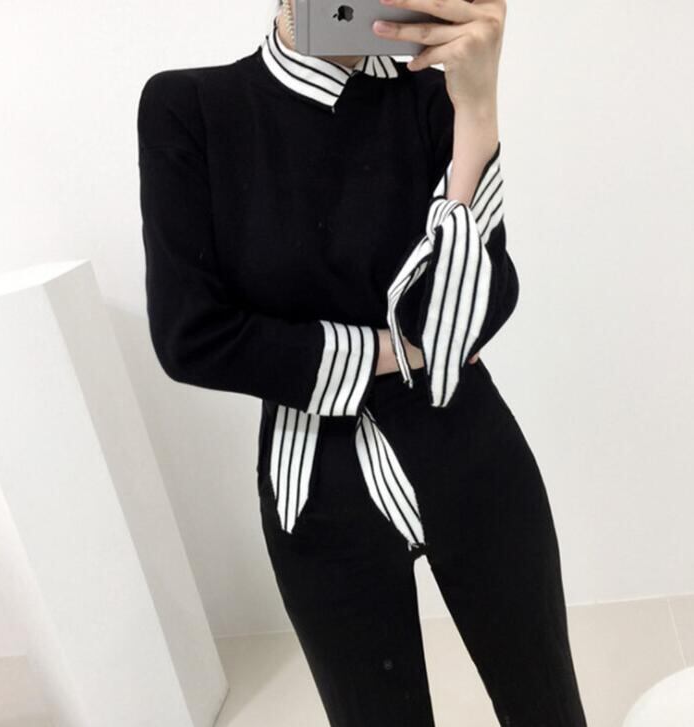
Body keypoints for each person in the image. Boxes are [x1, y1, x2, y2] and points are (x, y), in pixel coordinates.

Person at [136, 0, 589, 724]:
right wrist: (393, 348)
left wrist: (478, 110)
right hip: (315, 482)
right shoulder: (191, 108)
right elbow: (192, 336)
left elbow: (464, 318)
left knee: (548, 709)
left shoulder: (431, 97)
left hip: (472, 450)